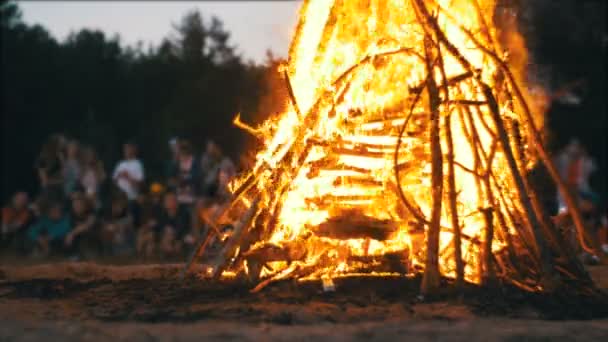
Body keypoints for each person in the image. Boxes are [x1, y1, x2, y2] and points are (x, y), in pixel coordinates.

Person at [112, 141, 144, 225]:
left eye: (128, 148)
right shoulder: (120, 164)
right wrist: (119, 176)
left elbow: (139, 184)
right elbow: (114, 181)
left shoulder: (137, 164)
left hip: (131, 198)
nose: (126, 151)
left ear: (133, 150)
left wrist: (128, 177)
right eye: (125, 149)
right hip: (119, 199)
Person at [64, 192, 98, 259]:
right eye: (75, 205)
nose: (77, 207)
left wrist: (72, 234)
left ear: (84, 205)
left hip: (93, 239)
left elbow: (87, 225)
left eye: (79, 205)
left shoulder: (91, 213)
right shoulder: (71, 215)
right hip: (76, 240)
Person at [35, 134, 67, 205]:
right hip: (48, 191)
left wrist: (61, 159)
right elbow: (44, 181)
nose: (64, 145)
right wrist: (60, 181)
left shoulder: (60, 156)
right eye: (61, 143)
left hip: (59, 190)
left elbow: (64, 173)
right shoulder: (43, 158)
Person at [158, 192, 192, 258]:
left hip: (182, 236)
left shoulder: (183, 213)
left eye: (170, 200)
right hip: (167, 237)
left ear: (175, 202)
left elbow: (183, 229)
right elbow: (161, 227)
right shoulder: (163, 214)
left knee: (175, 241)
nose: (167, 202)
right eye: (166, 200)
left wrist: (173, 234)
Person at [136, 182, 165, 259]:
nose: (156, 196)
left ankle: (149, 259)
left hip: (158, 231)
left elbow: (163, 222)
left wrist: (155, 224)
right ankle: (139, 257)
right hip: (147, 230)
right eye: (154, 194)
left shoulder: (163, 207)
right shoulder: (147, 206)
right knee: (141, 235)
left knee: (150, 237)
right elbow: (143, 221)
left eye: (158, 194)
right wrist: (146, 226)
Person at [100, 192, 134, 256]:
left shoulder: (128, 217)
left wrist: (116, 227)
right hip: (110, 250)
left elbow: (124, 228)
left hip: (125, 249)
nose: (118, 208)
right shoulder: (106, 216)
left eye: (121, 205)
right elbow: (105, 231)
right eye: (116, 205)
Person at [80, 145, 106, 211]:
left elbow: (103, 180)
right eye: (88, 155)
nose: (90, 157)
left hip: (97, 196)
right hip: (85, 197)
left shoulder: (99, 166)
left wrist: (95, 169)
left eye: (91, 155)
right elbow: (81, 183)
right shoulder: (82, 168)